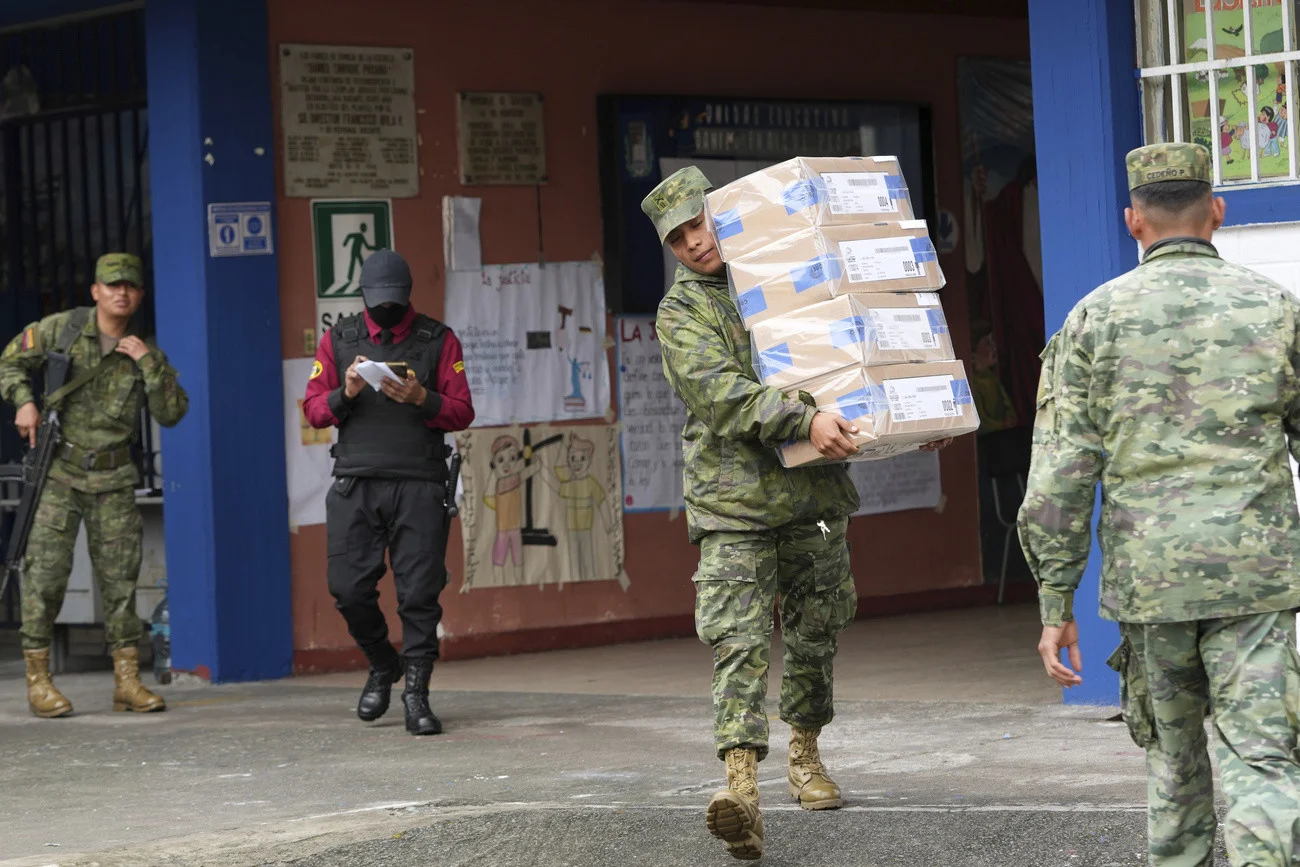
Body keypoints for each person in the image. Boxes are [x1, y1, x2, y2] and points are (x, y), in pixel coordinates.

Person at [645, 166, 947, 860]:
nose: (694, 243)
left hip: (814, 499)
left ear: (722, 213)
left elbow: (855, 356)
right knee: (739, 642)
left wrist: (910, 414)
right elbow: (721, 395)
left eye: (699, 224)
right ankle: (741, 792)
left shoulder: (792, 275)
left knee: (816, 634)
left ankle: (806, 755)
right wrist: (804, 420)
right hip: (735, 506)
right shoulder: (682, 311)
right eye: (678, 238)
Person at [1018, 142, 1300, 867]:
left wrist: (1055, 602)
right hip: (1255, 579)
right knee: (1265, 759)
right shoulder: (1275, 309)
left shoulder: (1093, 320)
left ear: (1133, 221)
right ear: (1218, 212)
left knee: (1173, 764)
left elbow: (1059, 477)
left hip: (1151, 584)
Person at [0, 253, 188, 717]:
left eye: (130, 286)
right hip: (59, 475)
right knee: (44, 576)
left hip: (113, 479)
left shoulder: (145, 352)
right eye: (112, 284)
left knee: (120, 581)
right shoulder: (61, 330)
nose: (121, 293)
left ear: (140, 295)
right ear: (96, 291)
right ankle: (39, 681)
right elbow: (10, 362)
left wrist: (148, 363)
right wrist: (24, 402)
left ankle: (127, 682)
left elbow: (172, 413)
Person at [303, 249, 474, 736]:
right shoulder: (338, 340)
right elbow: (313, 410)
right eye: (378, 300)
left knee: (420, 594)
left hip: (419, 482)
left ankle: (416, 694)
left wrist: (422, 398)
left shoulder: (439, 340)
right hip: (356, 482)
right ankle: (382, 661)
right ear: (364, 296)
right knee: (347, 588)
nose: (386, 308)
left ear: (407, 294)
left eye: (394, 300)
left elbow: (462, 411)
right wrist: (348, 391)